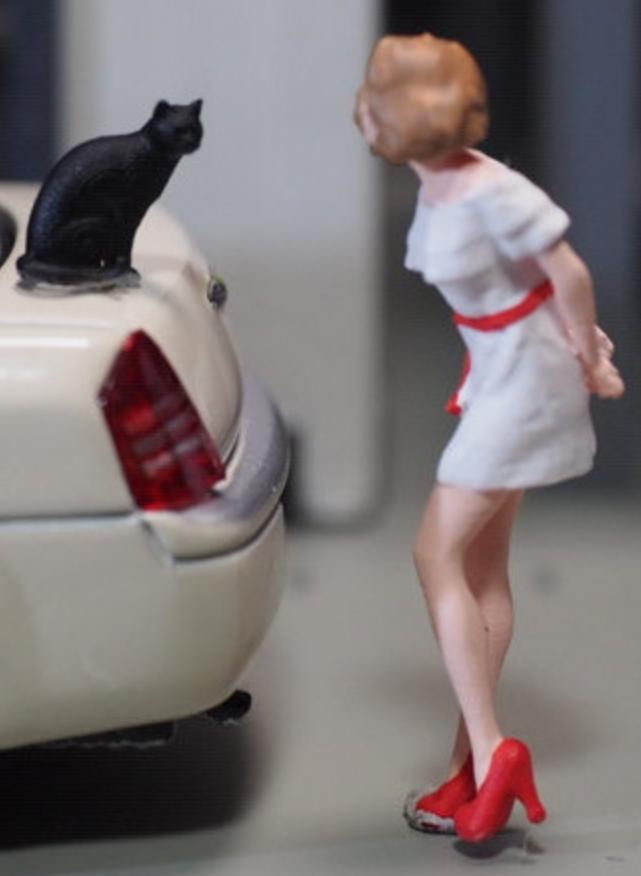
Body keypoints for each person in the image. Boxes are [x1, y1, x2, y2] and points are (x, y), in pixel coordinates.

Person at [354, 33, 624, 843]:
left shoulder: (489, 193)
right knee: (480, 565)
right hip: (501, 371)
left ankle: (491, 750)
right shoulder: (445, 185)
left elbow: (567, 272)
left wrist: (588, 355)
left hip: (523, 385)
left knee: (433, 553)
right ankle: (469, 768)